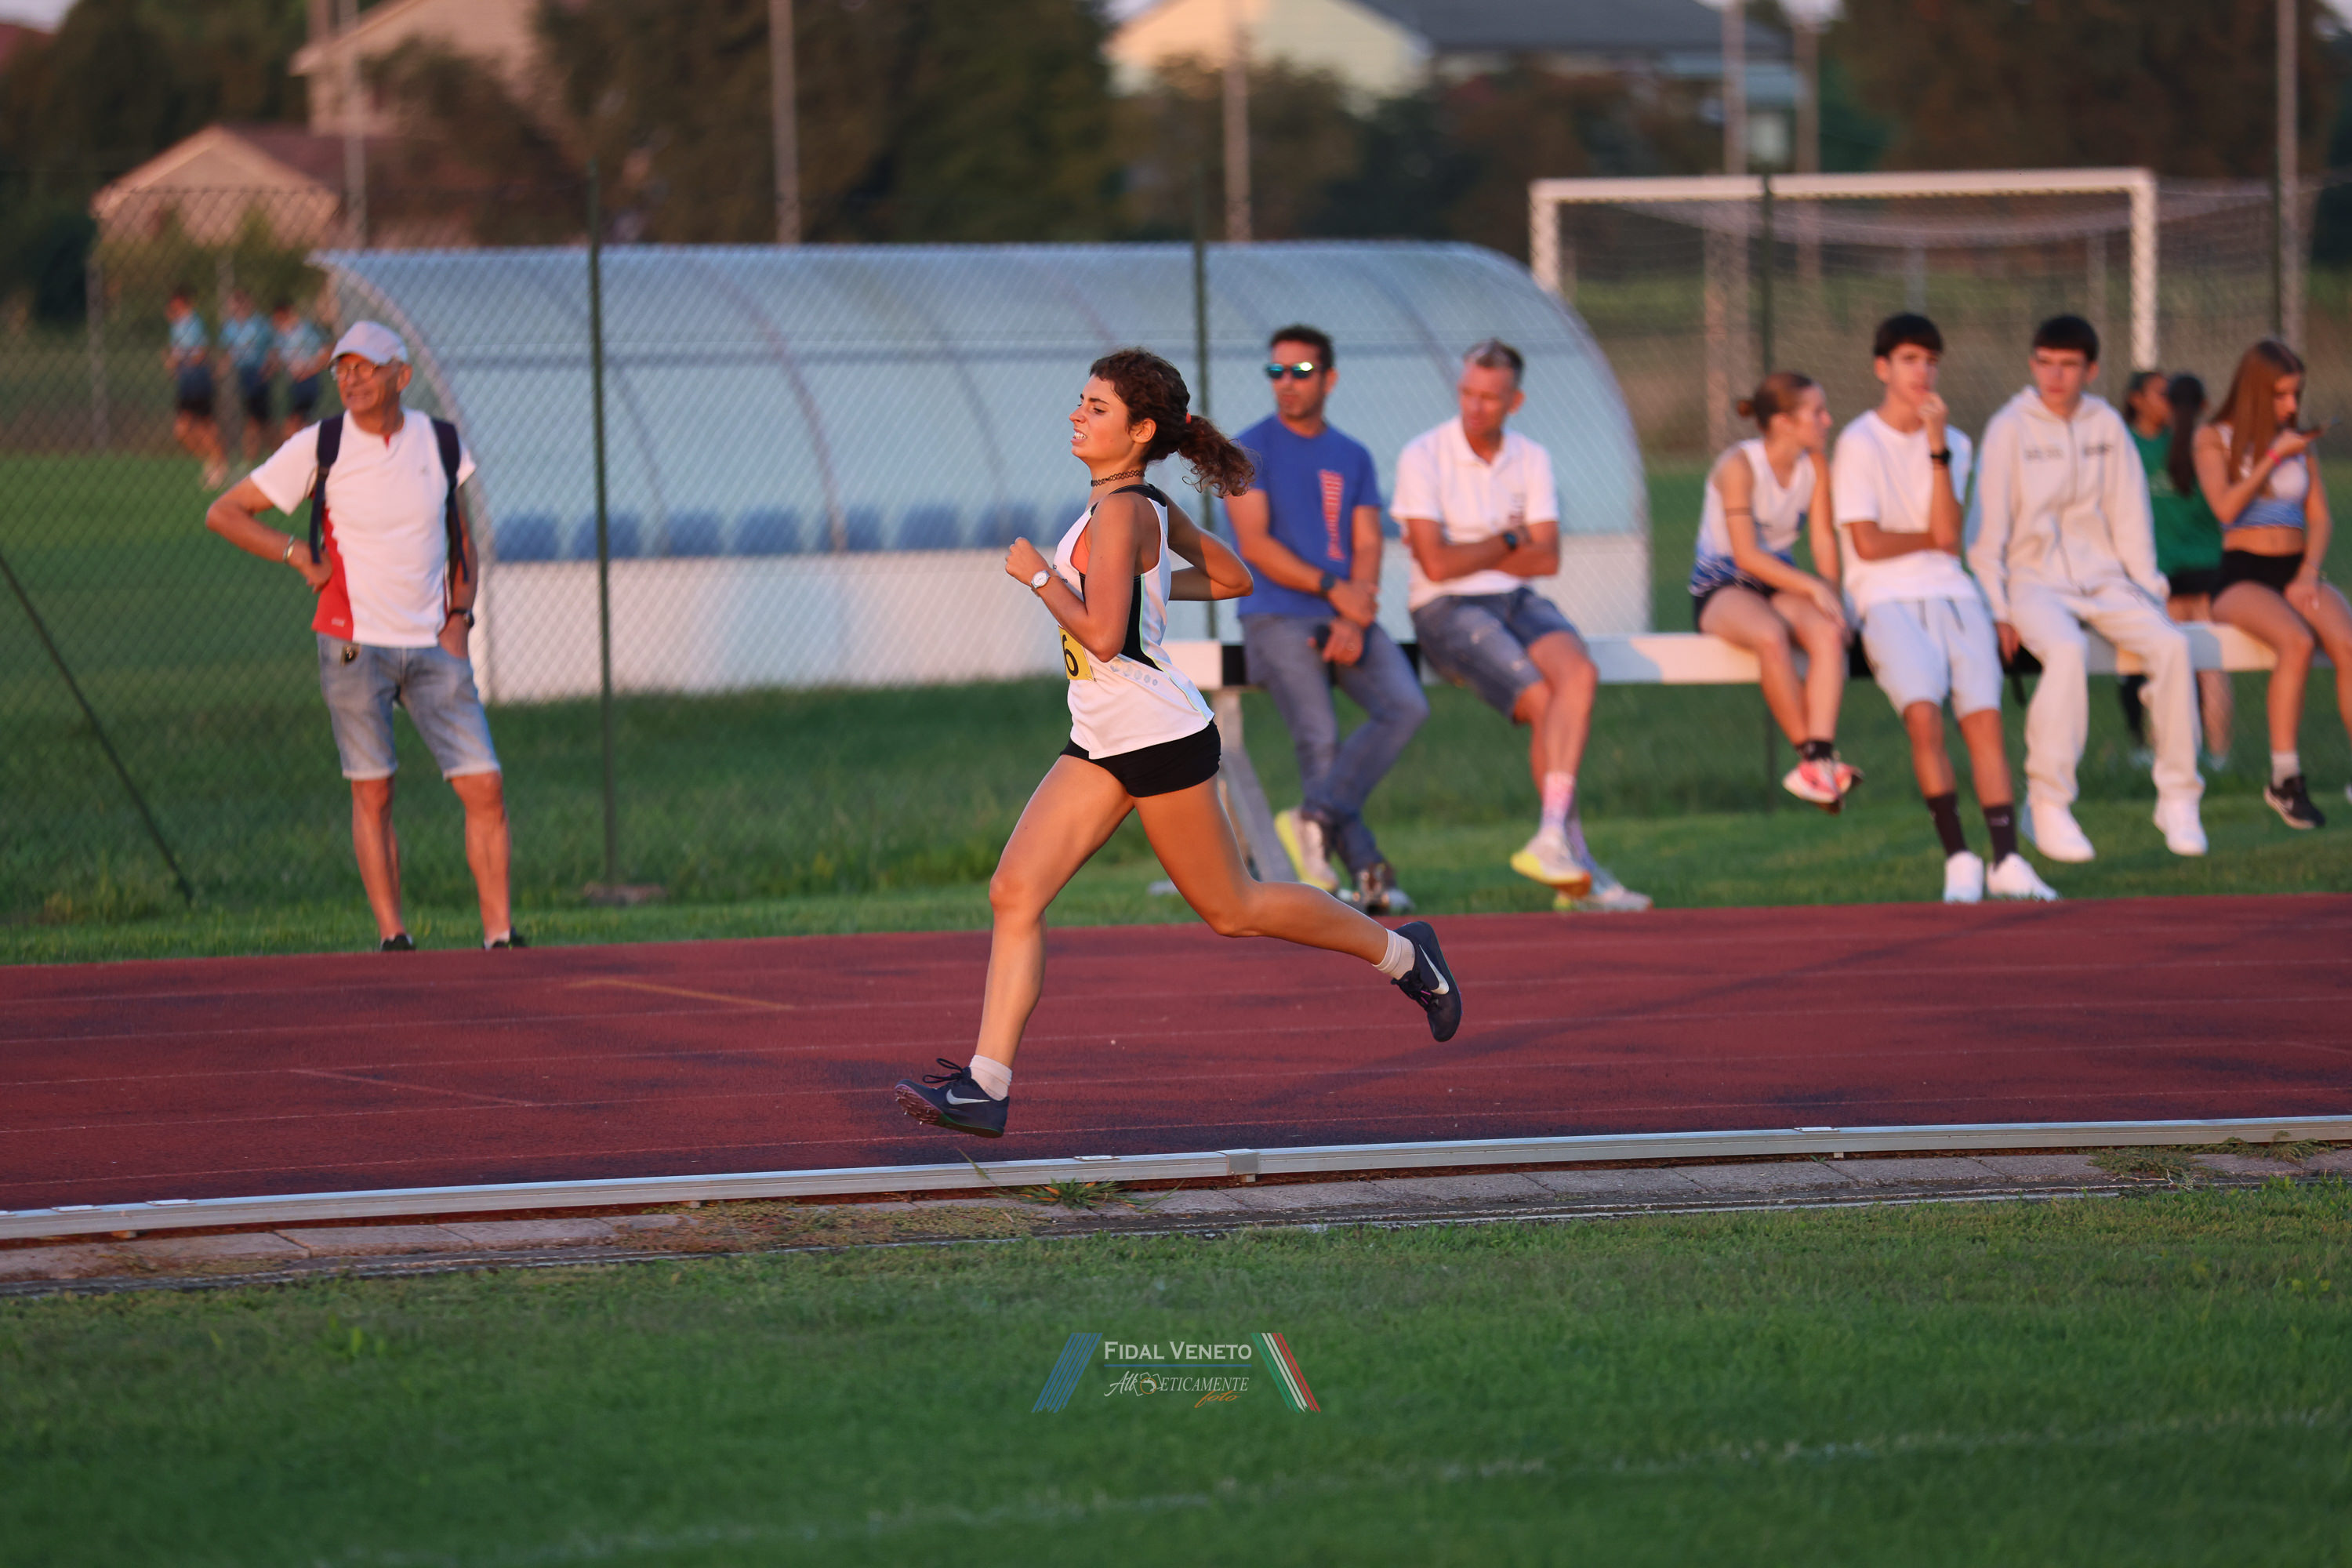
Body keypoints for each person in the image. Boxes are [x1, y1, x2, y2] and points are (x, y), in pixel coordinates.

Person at [892, 347, 1463, 1140]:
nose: (1077, 414)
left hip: (1157, 736)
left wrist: (1040, 577)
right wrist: (1139, 583)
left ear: (1140, 430)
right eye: (1081, 400)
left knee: (1236, 909)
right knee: (1014, 891)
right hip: (1101, 735)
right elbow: (1230, 577)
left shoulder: (1127, 510)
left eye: (1097, 407)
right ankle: (986, 1086)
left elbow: (1103, 635)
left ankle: (1405, 955)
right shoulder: (1140, 506)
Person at [203, 322, 524, 951]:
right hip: (353, 644)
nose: (351, 379)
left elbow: (461, 540)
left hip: (435, 646)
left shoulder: (441, 442)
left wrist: (460, 618)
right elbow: (225, 512)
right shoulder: (320, 445)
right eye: (342, 369)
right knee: (374, 789)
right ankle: (394, 937)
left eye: (366, 368)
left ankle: (500, 936)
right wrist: (296, 552)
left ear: (401, 376)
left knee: (484, 784)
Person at [1396, 339, 1650, 912]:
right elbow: (1436, 566)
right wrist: (1511, 538)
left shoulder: (1531, 456)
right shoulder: (1423, 454)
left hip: (1515, 598)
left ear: (1515, 401)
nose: (1475, 406)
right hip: (1445, 607)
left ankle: (1553, 842)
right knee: (1543, 702)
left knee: (1579, 675)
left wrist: (1473, 550)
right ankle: (1577, 867)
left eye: (1490, 397)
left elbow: (1548, 558)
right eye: (1467, 392)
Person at [1835, 313, 2056, 903]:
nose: (1923, 372)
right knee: (1924, 719)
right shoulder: (1857, 442)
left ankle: (2007, 860)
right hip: (1885, 599)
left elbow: (1950, 537)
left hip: (1955, 595)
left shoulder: (1954, 441)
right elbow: (1867, 544)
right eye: (1910, 360)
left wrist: (1935, 448)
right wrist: (1928, 537)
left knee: (1985, 723)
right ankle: (1959, 857)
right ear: (1882, 368)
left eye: (1931, 361)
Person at [1970, 314, 2205, 861]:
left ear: (2091, 370)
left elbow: (2131, 519)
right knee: (2066, 650)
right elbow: (1984, 535)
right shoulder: (2009, 427)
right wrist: (1998, 608)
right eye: (2045, 364)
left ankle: (2178, 799)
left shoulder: (2106, 425)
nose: (2055, 377)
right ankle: (2047, 804)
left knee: (2173, 646)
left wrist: (2149, 592)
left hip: (2105, 580)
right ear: (2033, 364)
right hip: (2032, 582)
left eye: (2069, 366)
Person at [1228, 324, 1428, 913]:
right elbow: (1255, 546)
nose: (1286, 383)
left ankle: (1314, 819)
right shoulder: (1246, 451)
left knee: (1406, 706)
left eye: (1301, 372)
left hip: (1346, 613)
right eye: (1276, 371)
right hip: (1276, 616)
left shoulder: (1353, 455)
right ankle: (1366, 871)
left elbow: (1367, 542)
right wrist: (1334, 590)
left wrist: (1355, 613)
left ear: (1330, 379)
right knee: (1320, 738)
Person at [2194, 338, 2352, 829]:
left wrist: (2308, 572)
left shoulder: (2299, 442)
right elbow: (2225, 507)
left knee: (2347, 640)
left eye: (2295, 394)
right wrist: (2271, 457)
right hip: (2242, 573)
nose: (2290, 405)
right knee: (2296, 641)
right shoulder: (2213, 438)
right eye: (2280, 394)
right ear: (2256, 391)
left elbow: (2320, 518)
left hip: (2295, 569)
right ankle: (2285, 778)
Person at [1691, 370, 1857, 811]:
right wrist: (1813, 587)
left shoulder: (1815, 465)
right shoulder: (1738, 466)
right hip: (1722, 584)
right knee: (1769, 634)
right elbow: (1745, 555)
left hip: (1777, 581)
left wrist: (1832, 598)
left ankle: (1821, 758)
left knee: (1827, 633)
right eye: (1817, 413)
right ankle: (1811, 763)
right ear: (1784, 422)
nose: (1827, 420)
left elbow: (1822, 540)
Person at [2118, 371, 2233, 769]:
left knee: (2165, 669)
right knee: (2211, 670)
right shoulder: (2200, 444)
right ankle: (2218, 758)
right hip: (2206, 566)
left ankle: (2165, 755)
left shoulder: (2133, 447)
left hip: (2160, 571)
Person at [164, 287, 226, 489]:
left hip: (198, 379)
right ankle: (214, 460)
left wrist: (179, 359)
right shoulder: (176, 326)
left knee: (204, 425)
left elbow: (200, 353)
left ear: (183, 303)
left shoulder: (194, 323)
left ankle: (218, 464)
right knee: (182, 430)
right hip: (186, 381)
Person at [218, 288, 275, 466]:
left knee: (258, 421)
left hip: (257, 374)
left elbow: (272, 349)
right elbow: (227, 352)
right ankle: (251, 457)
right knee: (251, 420)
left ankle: (252, 457)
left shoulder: (260, 324)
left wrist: (269, 369)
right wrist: (221, 371)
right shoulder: (230, 327)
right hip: (239, 376)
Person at [274, 299, 330, 441]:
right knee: (301, 422)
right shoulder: (281, 336)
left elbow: (325, 355)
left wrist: (308, 371)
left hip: (308, 381)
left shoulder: (305, 330)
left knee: (294, 422)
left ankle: (311, 445)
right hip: (293, 383)